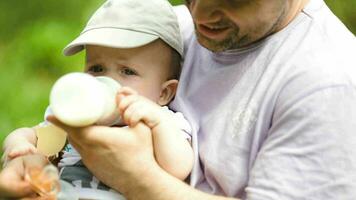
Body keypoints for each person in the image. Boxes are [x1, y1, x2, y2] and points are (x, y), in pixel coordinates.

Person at [2, 0, 356, 199]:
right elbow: (47, 137)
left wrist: (135, 176)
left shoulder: (327, 83)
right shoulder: (167, 28)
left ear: (165, 92)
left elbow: (174, 164)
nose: (200, 14)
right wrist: (24, 157)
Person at [1, 0, 193, 199]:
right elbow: (36, 137)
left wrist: (158, 122)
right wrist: (19, 146)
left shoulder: (160, 122)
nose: (106, 80)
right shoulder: (76, 115)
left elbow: (179, 168)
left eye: (127, 71)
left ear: (164, 93)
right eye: (96, 68)